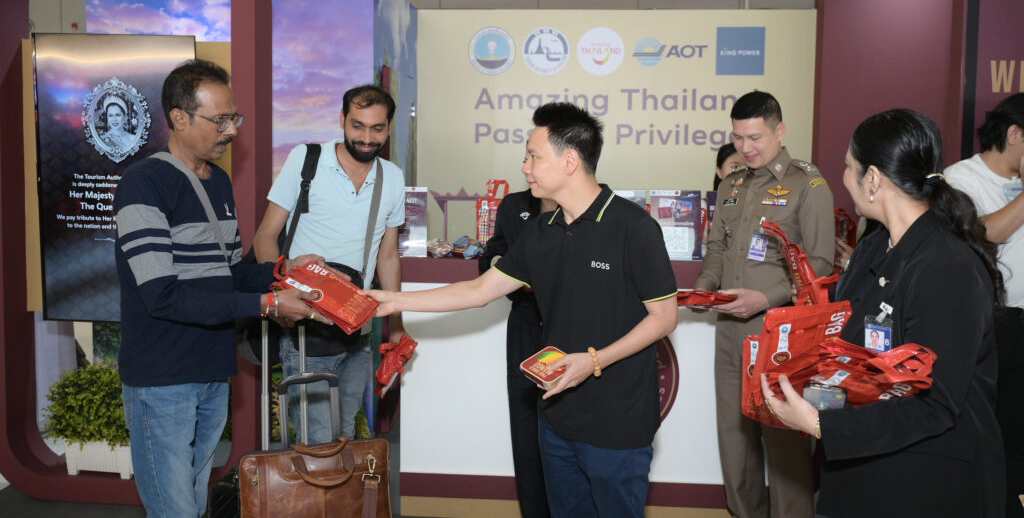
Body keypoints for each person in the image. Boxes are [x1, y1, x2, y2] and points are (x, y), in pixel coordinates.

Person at [365, 102, 678, 518]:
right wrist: (392, 300)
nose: (525, 167)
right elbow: (479, 290)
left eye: (534, 157)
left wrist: (593, 361)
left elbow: (664, 317)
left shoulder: (633, 227)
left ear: (570, 161)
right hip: (556, 416)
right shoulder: (540, 232)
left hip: (617, 420)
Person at [763, 108, 1006, 517]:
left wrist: (821, 424)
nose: (844, 178)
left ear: (873, 178)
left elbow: (936, 404)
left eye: (849, 167)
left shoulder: (948, 268)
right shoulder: (875, 247)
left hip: (928, 482)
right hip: (867, 468)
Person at [114, 59, 328, 518]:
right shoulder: (143, 184)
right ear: (179, 118)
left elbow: (229, 273)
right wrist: (268, 305)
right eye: (221, 120)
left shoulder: (219, 182)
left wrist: (285, 271)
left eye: (235, 118)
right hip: (163, 376)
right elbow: (162, 295)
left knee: (195, 499)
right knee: (173, 507)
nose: (231, 130)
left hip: (212, 369)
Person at [694, 90, 834, 518]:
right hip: (730, 333)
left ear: (780, 131)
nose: (745, 147)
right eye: (737, 138)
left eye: (754, 137)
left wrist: (764, 297)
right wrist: (704, 288)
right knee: (734, 440)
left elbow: (820, 263)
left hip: (780, 334)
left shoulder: (808, 185)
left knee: (784, 440)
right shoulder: (731, 184)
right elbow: (717, 248)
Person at [254, 84, 407, 444]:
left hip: (358, 331)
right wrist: (279, 299)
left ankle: (336, 485)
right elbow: (265, 236)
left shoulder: (392, 177)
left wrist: (397, 326)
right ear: (341, 120)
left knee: (345, 436)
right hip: (306, 328)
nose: (366, 138)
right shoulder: (306, 160)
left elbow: (387, 256)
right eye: (357, 126)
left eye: (377, 128)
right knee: (318, 439)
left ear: (389, 127)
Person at [944, 92, 1024, 517]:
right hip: (992, 323)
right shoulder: (961, 178)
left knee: (1018, 438)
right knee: (987, 434)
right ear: (1015, 135)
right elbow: (981, 234)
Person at [478, 189, 557, 518]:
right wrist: (500, 265)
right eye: (526, 162)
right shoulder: (514, 205)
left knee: (567, 428)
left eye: (534, 162)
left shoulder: (584, 204)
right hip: (526, 322)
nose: (527, 168)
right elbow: (493, 253)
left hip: (569, 325)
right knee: (526, 430)